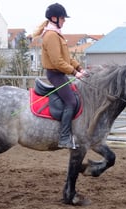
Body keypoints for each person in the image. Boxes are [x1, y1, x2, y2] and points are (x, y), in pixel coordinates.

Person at [33, 3, 87, 149]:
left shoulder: (57, 34)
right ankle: (64, 138)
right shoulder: (51, 36)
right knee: (71, 102)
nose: (64, 21)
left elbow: (67, 58)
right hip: (55, 74)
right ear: (54, 18)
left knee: (76, 97)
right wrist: (75, 73)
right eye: (63, 18)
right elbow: (57, 62)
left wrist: (80, 68)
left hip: (61, 74)